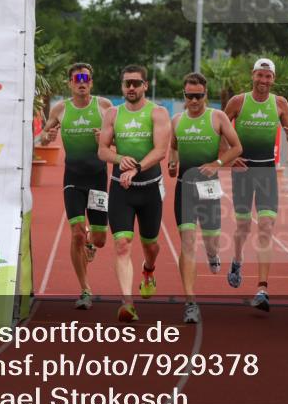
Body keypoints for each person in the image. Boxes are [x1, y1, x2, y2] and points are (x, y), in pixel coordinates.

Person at [223, 58, 288, 312]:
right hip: (243, 171)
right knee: (244, 226)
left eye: (268, 77)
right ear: (252, 76)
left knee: (266, 226)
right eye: (260, 75)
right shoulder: (238, 102)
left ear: (273, 79)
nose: (264, 81)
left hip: (267, 171)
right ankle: (236, 259)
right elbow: (218, 130)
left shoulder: (279, 103)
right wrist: (230, 157)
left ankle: (262, 288)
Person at [98, 65, 170, 323]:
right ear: (122, 86)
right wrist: (120, 158)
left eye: (136, 83)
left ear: (145, 86)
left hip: (149, 189)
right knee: (122, 243)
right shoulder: (112, 114)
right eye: (127, 83)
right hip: (121, 189)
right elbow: (103, 151)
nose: (131, 87)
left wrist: (138, 167)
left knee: (150, 245)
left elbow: (161, 150)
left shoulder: (158, 113)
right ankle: (127, 302)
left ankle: (148, 269)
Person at [168, 72, 242, 324]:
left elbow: (236, 147)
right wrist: (172, 162)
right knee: (187, 242)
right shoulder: (176, 120)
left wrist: (217, 162)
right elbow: (174, 147)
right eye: (189, 96)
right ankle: (190, 302)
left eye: (198, 96)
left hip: (209, 186)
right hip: (184, 187)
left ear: (205, 95)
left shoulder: (217, 117)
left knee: (211, 241)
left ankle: (212, 254)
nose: (194, 101)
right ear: (184, 95)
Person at [40, 63, 113, 310]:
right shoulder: (61, 109)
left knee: (100, 238)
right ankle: (85, 289)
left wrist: (104, 138)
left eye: (86, 78)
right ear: (70, 83)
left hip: (98, 179)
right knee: (77, 233)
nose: (81, 82)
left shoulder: (104, 107)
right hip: (73, 179)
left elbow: (118, 141)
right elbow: (43, 135)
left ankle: (92, 244)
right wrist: (47, 137)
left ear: (91, 83)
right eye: (77, 78)